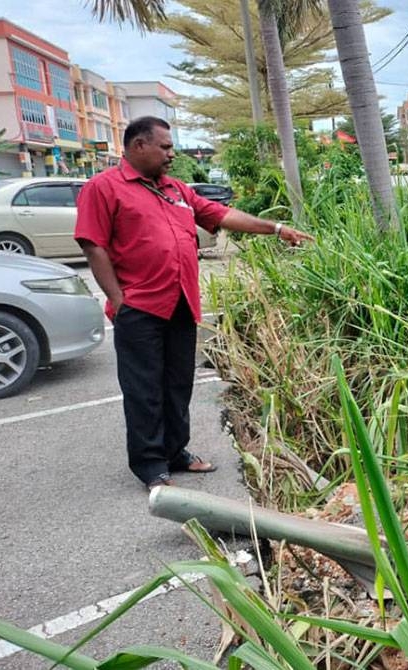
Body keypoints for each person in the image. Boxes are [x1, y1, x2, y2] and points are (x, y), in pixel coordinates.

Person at [75, 116, 314, 491]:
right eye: (165, 147)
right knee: (144, 390)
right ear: (139, 146)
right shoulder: (104, 188)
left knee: (177, 385)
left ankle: (174, 451)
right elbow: (93, 244)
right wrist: (118, 300)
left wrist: (277, 229)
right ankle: (150, 464)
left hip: (181, 304)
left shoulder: (176, 190)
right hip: (140, 308)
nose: (172, 154)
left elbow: (221, 215)